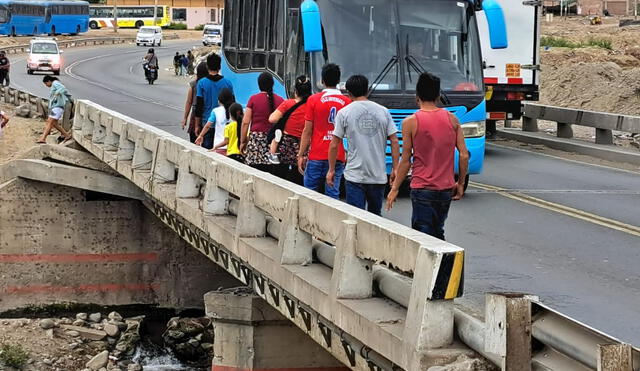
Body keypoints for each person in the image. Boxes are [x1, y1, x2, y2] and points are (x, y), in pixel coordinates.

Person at [386, 72, 469, 240]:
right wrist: (460, 183)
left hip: (422, 188)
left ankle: (434, 266)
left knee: (422, 237)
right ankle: (445, 266)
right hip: (445, 188)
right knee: (438, 232)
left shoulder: (410, 122)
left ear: (417, 97)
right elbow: (464, 155)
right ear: (438, 96)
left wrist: (394, 188)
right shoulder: (452, 119)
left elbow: (406, 160)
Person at [327, 75, 400, 216]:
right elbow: (395, 141)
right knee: (375, 217)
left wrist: (331, 170)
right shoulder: (383, 111)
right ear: (367, 90)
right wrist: (395, 168)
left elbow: (334, 145)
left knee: (356, 217)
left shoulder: (344, 113)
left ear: (348, 93)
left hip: (355, 176)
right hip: (378, 175)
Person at [297, 63, 351, 199]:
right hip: (337, 156)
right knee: (333, 194)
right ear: (339, 80)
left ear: (322, 80)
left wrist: (301, 154)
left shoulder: (313, 100)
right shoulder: (347, 102)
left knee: (309, 196)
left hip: (316, 155)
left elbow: (307, 131)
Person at [266, 75, 312, 184]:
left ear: (296, 91)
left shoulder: (288, 103)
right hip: (303, 145)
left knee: (280, 177)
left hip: (286, 145)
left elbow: (272, 119)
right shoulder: (312, 105)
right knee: (299, 177)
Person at [240, 72, 284, 172]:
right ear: (272, 84)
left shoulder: (253, 99)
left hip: (256, 142)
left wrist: (243, 142)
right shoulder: (280, 100)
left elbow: (245, 122)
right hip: (273, 142)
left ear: (259, 84)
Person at [194, 53, 234, 149]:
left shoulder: (201, 83)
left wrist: (197, 125)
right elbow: (233, 104)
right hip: (224, 124)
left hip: (207, 123)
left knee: (207, 150)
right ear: (219, 67)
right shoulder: (228, 83)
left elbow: (199, 106)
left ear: (207, 67)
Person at [195, 88, 235, 154]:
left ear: (219, 100)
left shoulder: (216, 111)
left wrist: (200, 135)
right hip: (233, 148)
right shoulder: (236, 110)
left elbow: (208, 126)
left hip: (219, 146)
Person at [37, 76, 72, 144]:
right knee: (54, 123)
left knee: (50, 122)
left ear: (49, 81)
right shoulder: (54, 84)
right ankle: (66, 135)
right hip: (55, 107)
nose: (46, 85)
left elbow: (63, 88)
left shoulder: (55, 83)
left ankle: (43, 138)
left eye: (46, 84)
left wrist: (57, 93)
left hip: (58, 107)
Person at [181, 62, 208, 143]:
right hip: (206, 115)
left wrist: (185, 118)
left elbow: (189, 102)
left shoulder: (193, 85)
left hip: (195, 114)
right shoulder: (209, 84)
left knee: (194, 140)